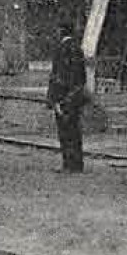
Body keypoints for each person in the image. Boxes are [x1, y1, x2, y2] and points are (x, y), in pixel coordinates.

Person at [46, 23, 88, 173]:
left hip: (64, 97)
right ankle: (76, 164)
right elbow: (80, 77)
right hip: (74, 96)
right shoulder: (77, 49)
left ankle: (68, 164)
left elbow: (57, 77)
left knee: (65, 132)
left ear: (61, 32)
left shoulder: (61, 50)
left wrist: (55, 99)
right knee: (74, 131)